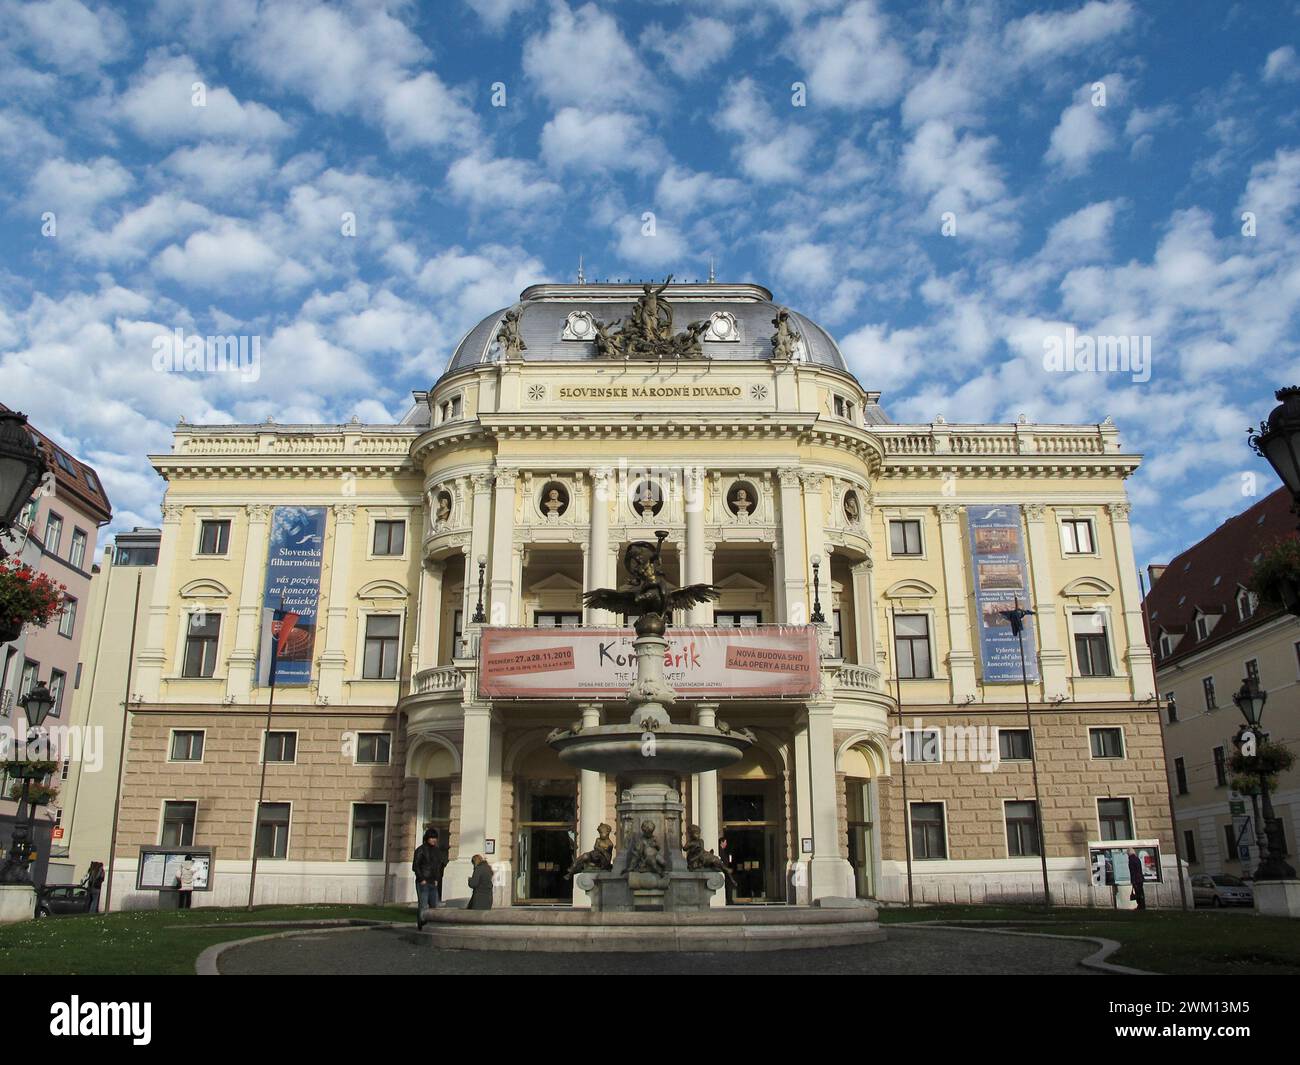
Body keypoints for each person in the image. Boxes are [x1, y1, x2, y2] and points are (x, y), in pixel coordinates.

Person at [412, 828, 446, 929]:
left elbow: (439, 865)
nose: (434, 840)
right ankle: (421, 924)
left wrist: (437, 879)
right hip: (423, 881)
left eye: (435, 838)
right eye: (432, 838)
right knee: (423, 905)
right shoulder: (420, 850)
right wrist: (421, 879)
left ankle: (431, 925)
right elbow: (415, 866)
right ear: (427, 838)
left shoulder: (437, 851)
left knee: (434, 905)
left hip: (433, 882)